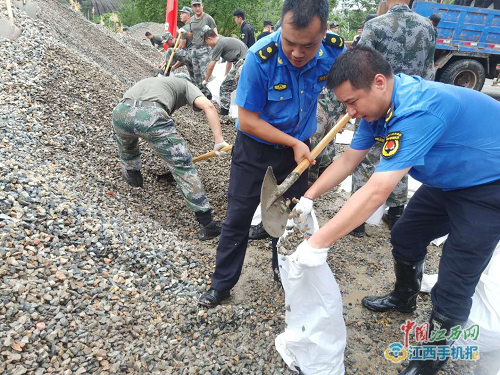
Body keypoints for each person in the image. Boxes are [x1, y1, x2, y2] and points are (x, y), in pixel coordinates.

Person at [291, 46, 500, 375]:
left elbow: (376, 191)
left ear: (378, 82)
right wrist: (309, 197)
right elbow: (348, 159)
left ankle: (428, 363)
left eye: (352, 102)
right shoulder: (377, 109)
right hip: (449, 181)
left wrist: (318, 242)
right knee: (406, 234)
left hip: (489, 185)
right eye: (345, 103)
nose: (350, 112)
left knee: (454, 280)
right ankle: (404, 297)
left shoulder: (418, 109)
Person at [198, 0, 345, 308]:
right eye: (290, 42)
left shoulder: (333, 50)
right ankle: (222, 283)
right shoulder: (260, 57)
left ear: (324, 33)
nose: (297, 53)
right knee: (238, 216)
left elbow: (351, 84)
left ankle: (285, 269)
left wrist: (348, 109)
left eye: (308, 45)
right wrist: (292, 142)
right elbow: (248, 120)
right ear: (281, 26)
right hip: (256, 150)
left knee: (292, 216)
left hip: (299, 151)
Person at [349, 0, 436, 236]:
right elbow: (429, 71)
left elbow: (358, 70)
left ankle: (357, 221)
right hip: (411, 104)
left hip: (375, 101)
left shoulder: (375, 25)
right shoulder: (427, 27)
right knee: (400, 156)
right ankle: (396, 213)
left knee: (366, 157)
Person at [111, 76, 230, 240]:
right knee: (183, 166)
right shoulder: (186, 85)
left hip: (120, 112)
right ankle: (207, 224)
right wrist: (219, 141)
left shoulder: (155, 82)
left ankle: (134, 180)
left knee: (127, 145)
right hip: (151, 116)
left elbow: (135, 110)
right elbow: (208, 106)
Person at [204, 29, 248, 115]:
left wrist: (206, 80)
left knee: (225, 87)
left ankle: (224, 113)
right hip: (246, 62)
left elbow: (211, 66)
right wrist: (226, 74)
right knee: (242, 88)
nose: (208, 45)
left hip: (242, 64)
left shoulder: (219, 44)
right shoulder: (224, 40)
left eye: (206, 42)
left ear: (209, 38)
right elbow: (229, 60)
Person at [179, 0, 217, 99]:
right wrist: (184, 33)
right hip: (194, 49)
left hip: (205, 49)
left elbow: (215, 34)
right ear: (192, 7)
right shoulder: (192, 20)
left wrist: (215, 49)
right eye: (195, 6)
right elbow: (192, 36)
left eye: (198, 5)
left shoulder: (208, 18)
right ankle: (202, 96)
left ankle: (212, 96)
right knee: (197, 75)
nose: (197, 8)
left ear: (202, 6)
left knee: (206, 74)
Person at [163, 6, 195, 79]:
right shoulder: (194, 25)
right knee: (195, 81)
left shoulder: (186, 28)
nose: (180, 15)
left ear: (188, 15)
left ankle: (166, 72)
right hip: (197, 57)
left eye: (183, 13)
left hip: (191, 54)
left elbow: (182, 46)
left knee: (170, 51)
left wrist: (174, 53)